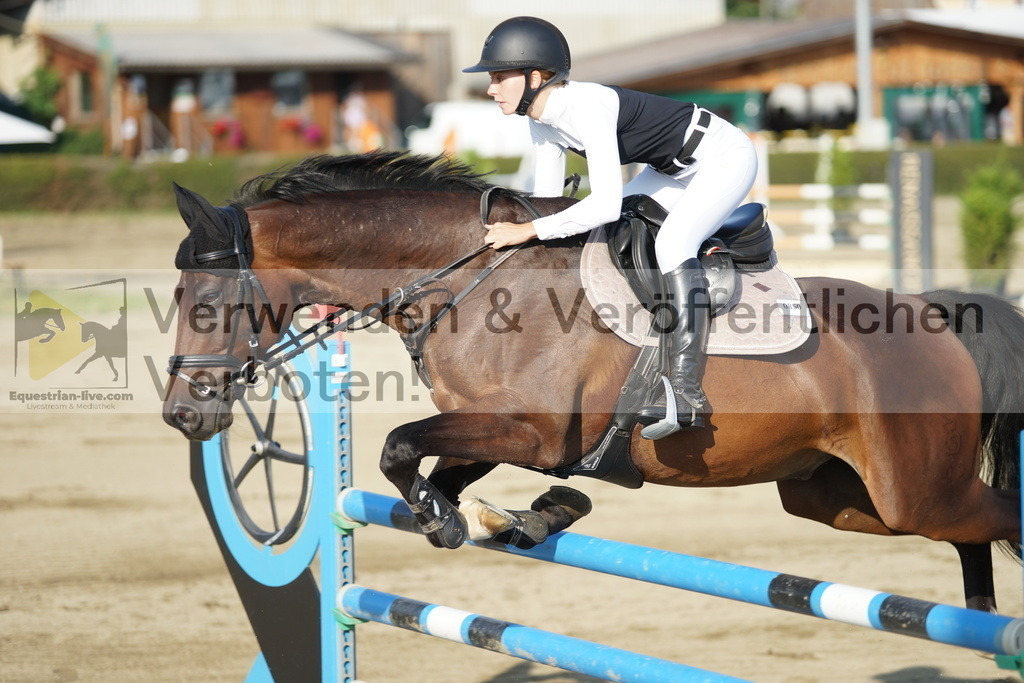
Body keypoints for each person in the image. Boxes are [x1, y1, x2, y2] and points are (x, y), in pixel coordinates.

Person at [464, 16, 758, 438]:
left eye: (497, 78)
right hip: (669, 171)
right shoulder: (539, 119)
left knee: (673, 243)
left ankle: (686, 389)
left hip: (723, 158)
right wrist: (514, 229)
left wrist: (528, 231)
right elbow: (546, 201)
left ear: (535, 77)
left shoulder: (586, 107)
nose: (491, 89)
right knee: (609, 234)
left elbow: (602, 204)